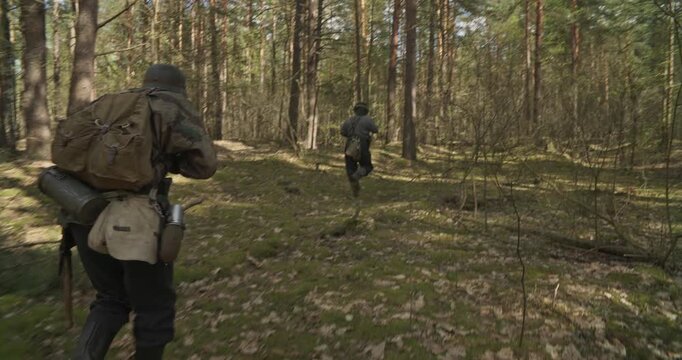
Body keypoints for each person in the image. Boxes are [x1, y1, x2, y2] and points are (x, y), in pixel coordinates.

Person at [68, 64, 217, 360]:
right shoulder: (172, 106)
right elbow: (205, 165)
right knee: (155, 307)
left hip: (82, 210)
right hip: (135, 220)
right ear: (178, 88)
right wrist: (166, 162)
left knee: (110, 298)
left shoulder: (109, 103)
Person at [340, 102, 378, 197]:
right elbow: (375, 129)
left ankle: (355, 190)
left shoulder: (348, 120)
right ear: (365, 111)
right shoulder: (367, 119)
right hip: (363, 144)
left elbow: (343, 132)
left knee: (350, 168)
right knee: (367, 166)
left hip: (350, 144)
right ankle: (356, 176)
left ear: (355, 110)